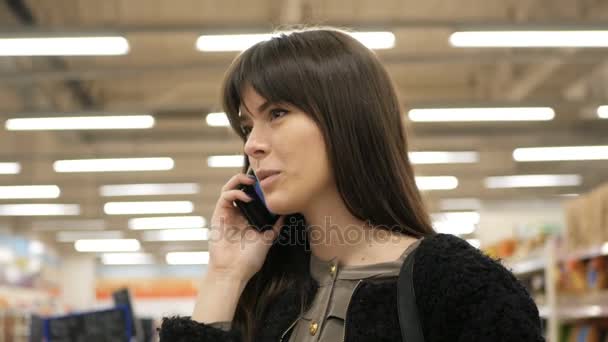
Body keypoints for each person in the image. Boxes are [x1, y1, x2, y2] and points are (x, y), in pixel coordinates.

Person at [158, 27, 544, 342]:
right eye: (246, 126)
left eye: (276, 113)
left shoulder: (461, 288)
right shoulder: (269, 293)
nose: (251, 144)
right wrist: (224, 275)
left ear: (347, 119)